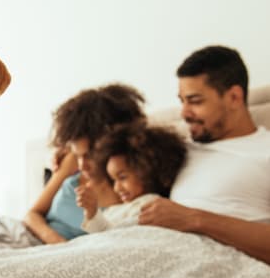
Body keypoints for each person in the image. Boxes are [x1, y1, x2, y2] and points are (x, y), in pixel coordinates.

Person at [138, 45, 270, 262]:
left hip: (213, 264)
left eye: (195, 101)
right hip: (151, 249)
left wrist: (194, 219)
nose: (184, 113)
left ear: (234, 97)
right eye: (182, 101)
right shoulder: (178, 148)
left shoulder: (265, 150)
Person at [23, 84, 146, 244]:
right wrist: (56, 242)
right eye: (78, 154)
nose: (82, 165)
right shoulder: (72, 161)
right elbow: (32, 214)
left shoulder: (128, 186)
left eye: (89, 155)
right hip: (30, 239)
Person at [76, 122, 186, 232]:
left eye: (122, 177)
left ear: (147, 170)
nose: (116, 188)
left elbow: (114, 235)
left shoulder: (152, 205)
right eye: (114, 180)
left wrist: (93, 213)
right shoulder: (117, 209)